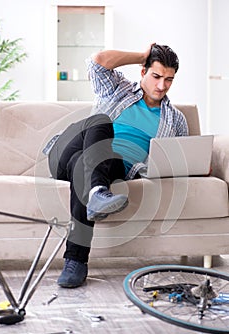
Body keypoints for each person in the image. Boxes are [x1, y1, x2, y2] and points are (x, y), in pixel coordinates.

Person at [46, 43, 189, 288]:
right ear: (143, 72)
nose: (161, 86)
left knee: (84, 166)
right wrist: (141, 55)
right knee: (100, 121)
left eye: (169, 80)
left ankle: (76, 261)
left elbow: (180, 158)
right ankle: (96, 192)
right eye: (156, 76)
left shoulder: (175, 120)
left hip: (111, 165)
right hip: (65, 152)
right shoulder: (117, 89)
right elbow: (97, 60)